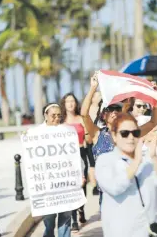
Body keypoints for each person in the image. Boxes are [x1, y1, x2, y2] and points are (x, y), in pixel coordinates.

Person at [81, 73, 157, 207]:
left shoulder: (129, 133)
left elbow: (153, 123)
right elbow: (84, 114)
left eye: (117, 109)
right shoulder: (97, 134)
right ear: (103, 115)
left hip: (130, 191)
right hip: (107, 195)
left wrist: (155, 99)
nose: (113, 112)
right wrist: (93, 88)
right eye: (109, 109)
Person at [95, 113, 157, 237]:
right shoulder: (106, 160)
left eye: (135, 133)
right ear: (114, 136)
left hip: (151, 231)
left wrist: (154, 156)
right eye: (124, 133)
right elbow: (115, 187)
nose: (130, 137)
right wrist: (136, 161)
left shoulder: (147, 160)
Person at [41, 103, 82, 237]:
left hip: (66, 181)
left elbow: (75, 156)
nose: (57, 118)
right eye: (53, 115)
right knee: (49, 219)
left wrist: (79, 174)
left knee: (65, 218)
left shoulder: (67, 132)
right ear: (45, 116)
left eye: (59, 115)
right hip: (47, 184)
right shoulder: (36, 134)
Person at [60, 93, 94, 233]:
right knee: (71, 187)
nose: (70, 104)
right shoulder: (60, 122)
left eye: (73, 101)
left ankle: (81, 209)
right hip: (67, 158)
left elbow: (89, 141)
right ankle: (73, 219)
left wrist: (91, 163)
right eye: (67, 101)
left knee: (82, 184)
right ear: (64, 104)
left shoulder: (81, 119)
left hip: (81, 154)